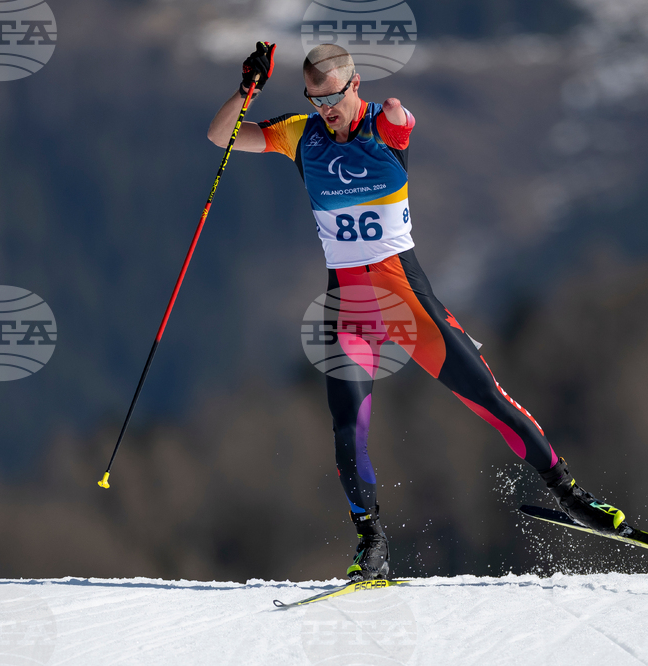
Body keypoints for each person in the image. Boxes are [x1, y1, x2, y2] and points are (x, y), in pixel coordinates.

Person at [208, 42, 625, 581]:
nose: (325, 109)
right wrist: (247, 91)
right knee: (347, 427)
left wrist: (396, 114)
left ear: (355, 85)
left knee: (488, 398)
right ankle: (372, 542)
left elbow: (401, 120)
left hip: (407, 304)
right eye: (315, 99)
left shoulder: (383, 126)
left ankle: (571, 495)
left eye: (332, 97)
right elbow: (220, 136)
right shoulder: (299, 133)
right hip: (351, 309)